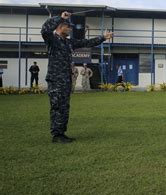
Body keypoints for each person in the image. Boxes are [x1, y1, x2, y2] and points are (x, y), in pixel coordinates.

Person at [41, 11, 113, 143]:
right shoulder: (52, 40)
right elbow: (45, 30)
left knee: (64, 107)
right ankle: (56, 135)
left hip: (65, 80)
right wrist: (60, 18)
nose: (70, 29)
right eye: (68, 26)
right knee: (57, 106)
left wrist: (102, 37)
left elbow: (86, 42)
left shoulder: (68, 42)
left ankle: (61, 133)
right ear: (60, 26)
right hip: (56, 80)